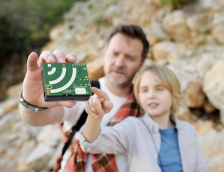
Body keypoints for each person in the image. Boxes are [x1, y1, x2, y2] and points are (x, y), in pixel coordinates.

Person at [18, 24, 149, 172]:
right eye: (114, 53)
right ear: (105, 53)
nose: (119, 63)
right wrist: (32, 102)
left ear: (141, 64)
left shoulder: (146, 103)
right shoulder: (80, 89)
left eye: (130, 58)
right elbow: (36, 119)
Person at [79, 65, 209, 172]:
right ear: (138, 97)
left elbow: (201, 168)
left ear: (174, 95)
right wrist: (95, 115)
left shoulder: (188, 130)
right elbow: (92, 143)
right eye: (145, 90)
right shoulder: (132, 127)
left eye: (159, 89)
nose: (151, 95)